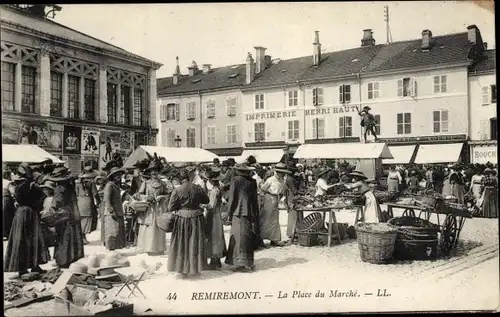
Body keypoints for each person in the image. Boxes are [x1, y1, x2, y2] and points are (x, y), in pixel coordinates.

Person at [4, 163, 49, 277]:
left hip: (22, 213)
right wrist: (36, 206)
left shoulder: (19, 186)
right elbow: (42, 197)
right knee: (32, 239)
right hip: (30, 213)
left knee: (22, 239)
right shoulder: (31, 186)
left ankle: (24, 267)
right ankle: (32, 265)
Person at [167, 168, 210, 278]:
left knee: (182, 243)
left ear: (180, 179)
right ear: (190, 177)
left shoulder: (177, 190)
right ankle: (196, 269)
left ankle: (182, 269)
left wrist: (180, 206)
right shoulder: (198, 187)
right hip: (196, 218)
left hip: (182, 218)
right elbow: (206, 200)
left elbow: (170, 207)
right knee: (195, 242)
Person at [48, 167, 85, 268]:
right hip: (72, 214)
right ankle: (73, 257)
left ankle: (63, 260)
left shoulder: (59, 189)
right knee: (73, 236)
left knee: (63, 237)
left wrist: (52, 211)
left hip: (63, 215)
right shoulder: (70, 186)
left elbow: (57, 204)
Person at [225, 163, 259, 272]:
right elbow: (254, 199)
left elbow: (232, 197)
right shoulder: (252, 181)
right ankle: (248, 262)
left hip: (237, 212)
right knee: (246, 237)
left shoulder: (236, 180)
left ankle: (237, 262)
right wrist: (255, 213)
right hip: (248, 211)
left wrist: (229, 213)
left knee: (237, 236)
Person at [134, 159, 168, 255]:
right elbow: (137, 195)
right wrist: (147, 197)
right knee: (149, 228)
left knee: (159, 227)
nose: (154, 172)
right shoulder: (146, 183)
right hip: (149, 210)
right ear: (150, 172)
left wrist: (163, 197)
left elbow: (168, 195)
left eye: (156, 170)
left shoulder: (162, 183)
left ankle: (159, 248)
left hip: (159, 209)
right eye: (152, 170)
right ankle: (148, 248)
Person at [259, 162, 290, 247]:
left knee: (275, 220)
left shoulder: (282, 181)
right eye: (282, 172)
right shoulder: (270, 180)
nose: (283, 174)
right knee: (266, 219)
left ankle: (274, 239)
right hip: (268, 199)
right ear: (278, 172)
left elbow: (283, 191)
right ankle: (261, 239)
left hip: (276, 199)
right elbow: (263, 189)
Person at [202, 170, 227, 270]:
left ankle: (213, 261)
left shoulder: (213, 191)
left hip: (212, 215)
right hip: (218, 214)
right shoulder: (219, 188)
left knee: (212, 237)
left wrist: (201, 205)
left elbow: (210, 206)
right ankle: (217, 261)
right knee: (217, 236)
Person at [103, 167, 127, 250]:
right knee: (112, 231)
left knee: (118, 231)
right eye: (116, 175)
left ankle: (115, 249)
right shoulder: (109, 185)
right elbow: (107, 199)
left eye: (119, 175)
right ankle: (111, 249)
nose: (118, 177)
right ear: (112, 176)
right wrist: (111, 211)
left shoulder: (115, 185)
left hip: (118, 211)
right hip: (112, 213)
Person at [76, 166, 100, 244]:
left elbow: (76, 193)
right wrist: (98, 201)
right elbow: (95, 194)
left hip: (79, 201)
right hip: (88, 202)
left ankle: (81, 237)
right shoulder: (91, 183)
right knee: (86, 220)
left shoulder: (77, 182)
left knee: (80, 220)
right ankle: (83, 237)